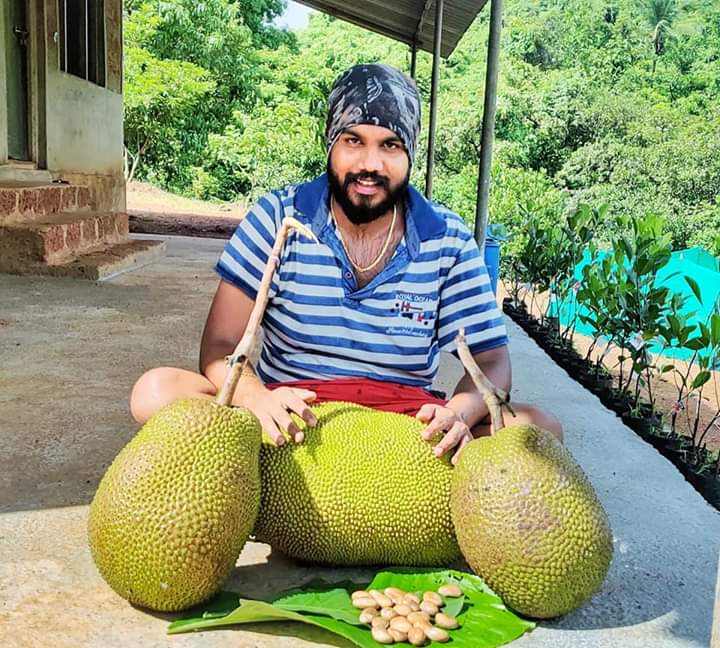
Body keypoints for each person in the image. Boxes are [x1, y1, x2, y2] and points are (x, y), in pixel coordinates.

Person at [130, 63, 562, 464]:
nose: (370, 165)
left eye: (390, 146)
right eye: (353, 140)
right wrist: (257, 399)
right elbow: (221, 348)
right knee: (155, 391)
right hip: (293, 414)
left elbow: (492, 363)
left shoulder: (445, 237)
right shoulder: (278, 217)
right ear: (330, 143)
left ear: (409, 153)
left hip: (404, 426)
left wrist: (458, 413)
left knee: (540, 428)